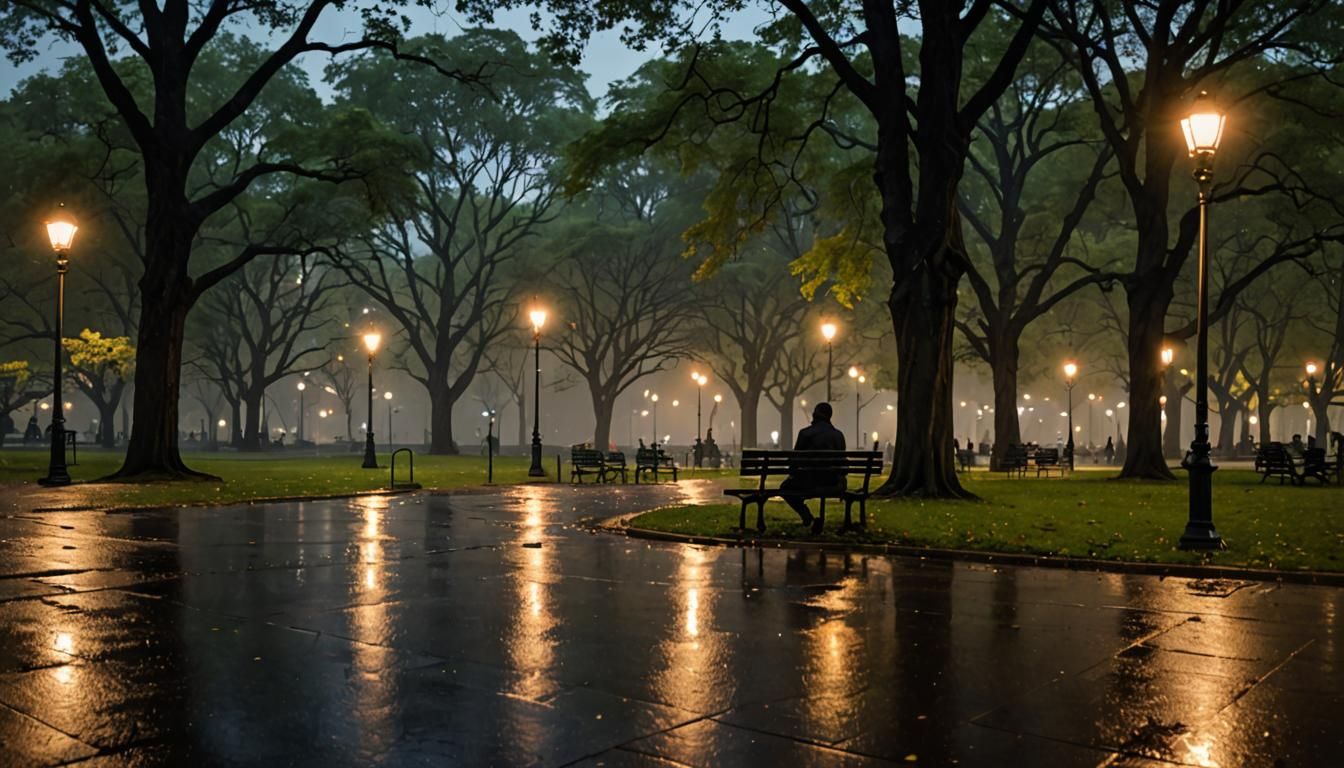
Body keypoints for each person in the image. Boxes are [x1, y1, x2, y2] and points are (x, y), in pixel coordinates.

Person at [779, 402, 846, 533]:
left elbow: (794, 461)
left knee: (785, 488)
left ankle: (806, 515)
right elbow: (842, 464)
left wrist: (793, 472)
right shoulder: (838, 435)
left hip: (808, 482)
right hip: (833, 483)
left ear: (815, 414)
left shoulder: (805, 434)